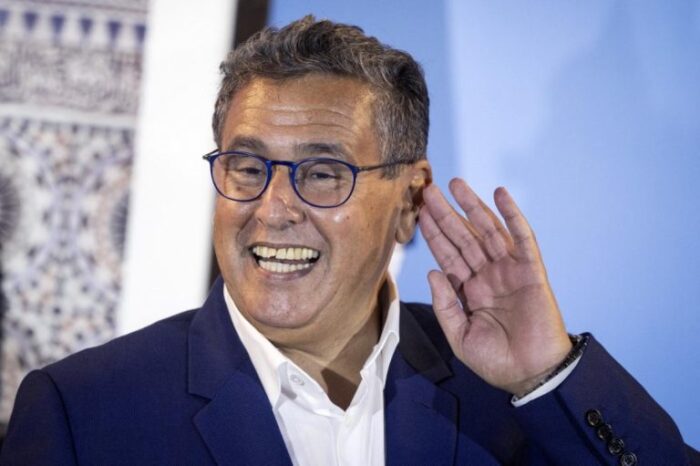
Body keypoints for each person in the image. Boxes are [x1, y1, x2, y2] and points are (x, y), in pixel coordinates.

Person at [1, 16, 697, 466]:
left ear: (410, 200)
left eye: (322, 173)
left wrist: (547, 375)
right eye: (246, 167)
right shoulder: (82, 413)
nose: (273, 209)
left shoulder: (514, 396)